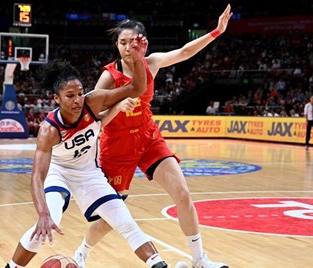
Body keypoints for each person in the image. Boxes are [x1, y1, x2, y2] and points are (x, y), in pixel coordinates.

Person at [74, 5, 233, 268]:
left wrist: (216, 31)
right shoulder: (108, 75)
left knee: (182, 194)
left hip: (148, 139)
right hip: (116, 146)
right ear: (116, 44)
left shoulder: (152, 63)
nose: (126, 47)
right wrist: (115, 107)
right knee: (111, 215)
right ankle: (82, 252)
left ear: (142, 44)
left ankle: (199, 260)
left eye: (131, 42)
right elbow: (91, 114)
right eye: (122, 42)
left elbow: (185, 52)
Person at [6, 36, 174, 268]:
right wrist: (42, 212)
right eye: (70, 96)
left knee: (124, 221)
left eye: (80, 93)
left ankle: (159, 264)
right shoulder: (49, 129)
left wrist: (137, 60)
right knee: (49, 221)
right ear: (56, 98)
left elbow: (137, 88)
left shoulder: (93, 102)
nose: (77, 100)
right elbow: (37, 176)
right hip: (60, 173)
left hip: (89, 173)